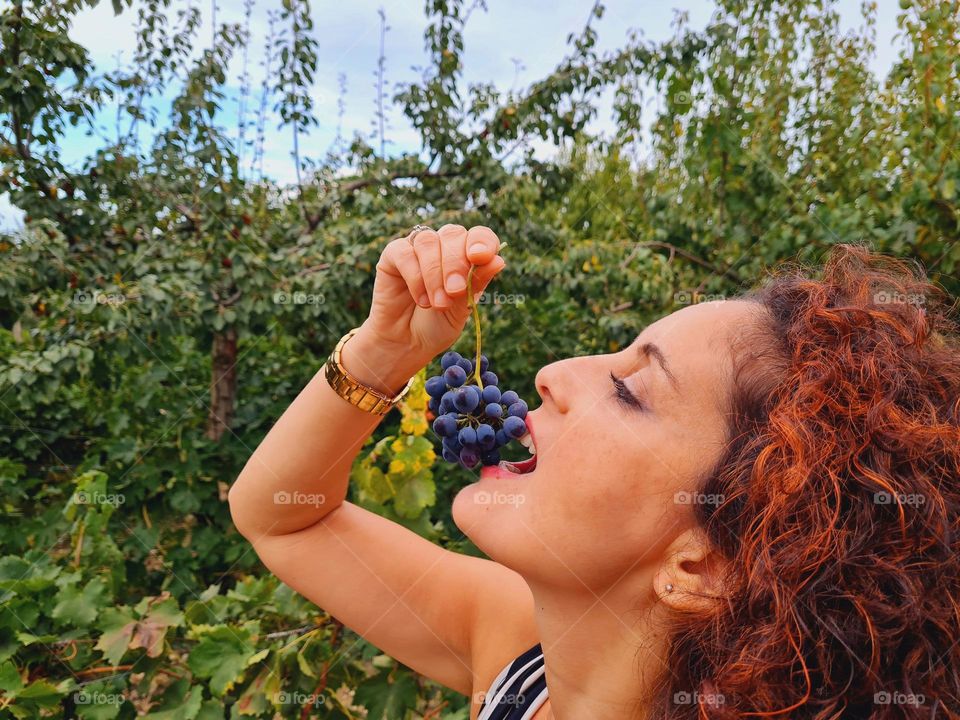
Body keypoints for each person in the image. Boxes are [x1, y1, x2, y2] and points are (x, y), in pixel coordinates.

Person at [228, 225, 960, 719]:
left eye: (628, 390)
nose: (552, 375)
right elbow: (284, 516)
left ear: (701, 563)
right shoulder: (521, 657)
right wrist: (382, 355)